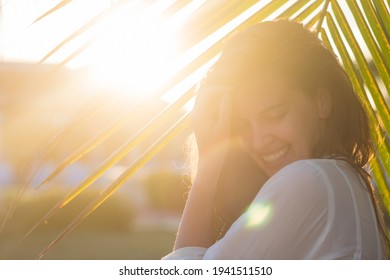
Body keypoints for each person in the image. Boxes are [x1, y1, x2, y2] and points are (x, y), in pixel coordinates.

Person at [163, 20, 389, 259]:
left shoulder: (308, 180)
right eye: (242, 126)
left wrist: (207, 170)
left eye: (275, 115)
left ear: (322, 102)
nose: (257, 141)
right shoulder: (345, 180)